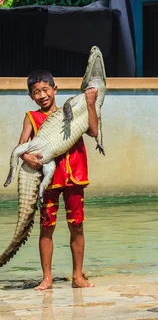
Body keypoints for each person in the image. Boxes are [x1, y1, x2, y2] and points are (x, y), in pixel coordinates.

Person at [18, 70, 98, 290]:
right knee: (47, 227)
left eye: (45, 89)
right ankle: (47, 277)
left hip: (75, 175)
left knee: (77, 226)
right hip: (49, 179)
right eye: (36, 92)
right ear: (31, 96)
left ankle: (78, 276)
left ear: (55, 89)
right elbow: (21, 145)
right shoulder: (31, 117)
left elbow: (92, 131)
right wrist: (27, 157)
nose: (42, 95)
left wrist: (90, 103)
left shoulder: (73, 110)